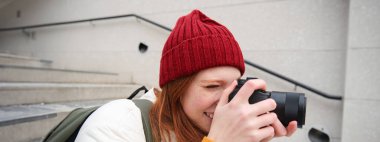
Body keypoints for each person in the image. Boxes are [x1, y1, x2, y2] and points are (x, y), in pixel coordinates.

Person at [75, 9, 297, 142]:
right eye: (212, 86)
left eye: (234, 87)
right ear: (177, 90)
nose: (226, 101)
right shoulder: (117, 122)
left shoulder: (201, 127)